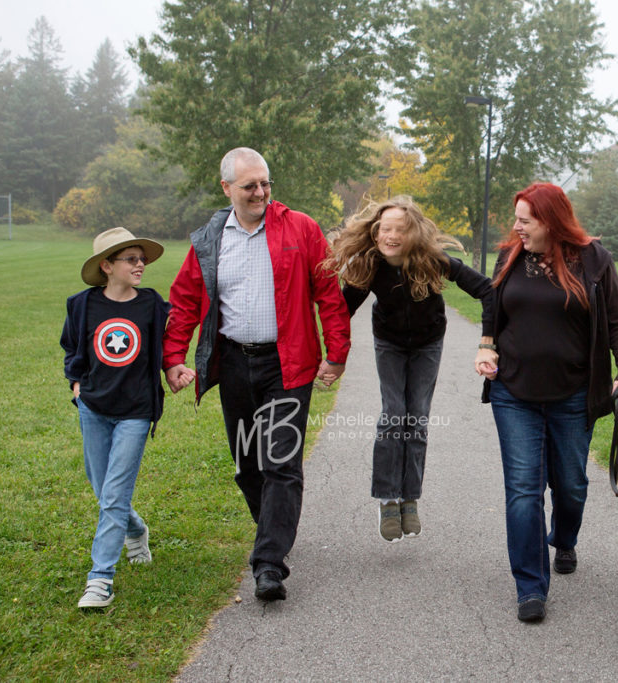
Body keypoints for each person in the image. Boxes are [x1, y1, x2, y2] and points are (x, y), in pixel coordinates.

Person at [163, 147, 351, 602]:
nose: (260, 192)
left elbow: (328, 292)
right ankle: (274, 527)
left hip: (287, 364)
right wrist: (173, 357)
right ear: (226, 188)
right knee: (248, 464)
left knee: (281, 463)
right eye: (249, 185)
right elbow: (186, 300)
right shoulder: (209, 239)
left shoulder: (300, 228)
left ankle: (269, 563)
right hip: (233, 364)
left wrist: (337, 352)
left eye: (265, 183)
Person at [475, 182, 618, 623]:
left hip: (573, 395)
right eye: (517, 219)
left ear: (550, 221)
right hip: (514, 392)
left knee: (571, 486)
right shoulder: (510, 256)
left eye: (525, 220)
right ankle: (530, 586)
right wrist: (486, 345)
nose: (517, 227)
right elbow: (494, 308)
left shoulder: (593, 260)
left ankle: (564, 539)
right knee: (524, 490)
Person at [324, 196, 496, 542]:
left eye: (399, 229)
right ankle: (388, 499)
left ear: (413, 233)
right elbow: (341, 312)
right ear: (375, 233)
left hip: (427, 344)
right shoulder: (370, 264)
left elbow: (486, 290)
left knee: (416, 418)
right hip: (389, 342)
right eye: (384, 228)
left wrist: (487, 342)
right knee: (394, 414)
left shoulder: (433, 261)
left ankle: (410, 498)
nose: (391, 235)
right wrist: (333, 356)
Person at [61, 227, 169, 609]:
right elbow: (72, 349)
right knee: (101, 486)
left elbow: (169, 347)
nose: (141, 265)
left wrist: (175, 369)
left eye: (142, 259)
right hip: (93, 408)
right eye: (131, 259)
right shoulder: (83, 305)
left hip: (135, 412)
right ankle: (136, 530)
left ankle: (100, 579)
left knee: (114, 494)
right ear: (107, 266)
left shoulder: (153, 305)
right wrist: (75, 385)